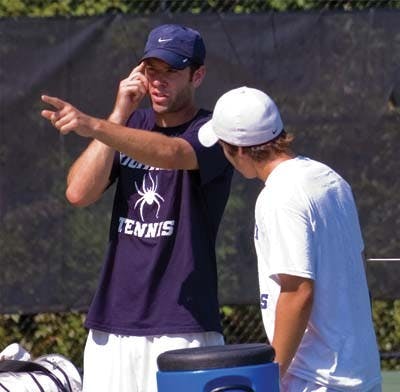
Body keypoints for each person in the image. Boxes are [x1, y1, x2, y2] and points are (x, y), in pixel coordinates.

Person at [41, 24, 233, 392]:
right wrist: (116, 115)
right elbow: (79, 192)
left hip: (183, 325)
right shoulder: (125, 126)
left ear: (198, 75)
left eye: (172, 71)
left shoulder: (213, 129)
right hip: (112, 323)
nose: (158, 81)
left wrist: (93, 125)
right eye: (151, 70)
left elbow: (174, 153)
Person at [198, 86, 382, 391]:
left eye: (223, 146)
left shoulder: (278, 197)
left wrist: (270, 376)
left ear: (241, 150)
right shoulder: (331, 179)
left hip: (317, 381)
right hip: (358, 375)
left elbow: (298, 291)